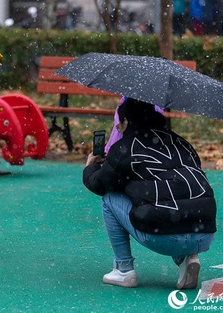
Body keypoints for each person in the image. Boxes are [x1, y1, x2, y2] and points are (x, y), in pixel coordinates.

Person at [83, 98, 216, 289]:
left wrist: (90, 168)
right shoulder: (183, 144)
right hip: (204, 235)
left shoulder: (124, 148)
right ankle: (185, 257)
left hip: (163, 237)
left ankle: (124, 269)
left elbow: (100, 185)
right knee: (174, 200)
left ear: (126, 122)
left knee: (110, 198)